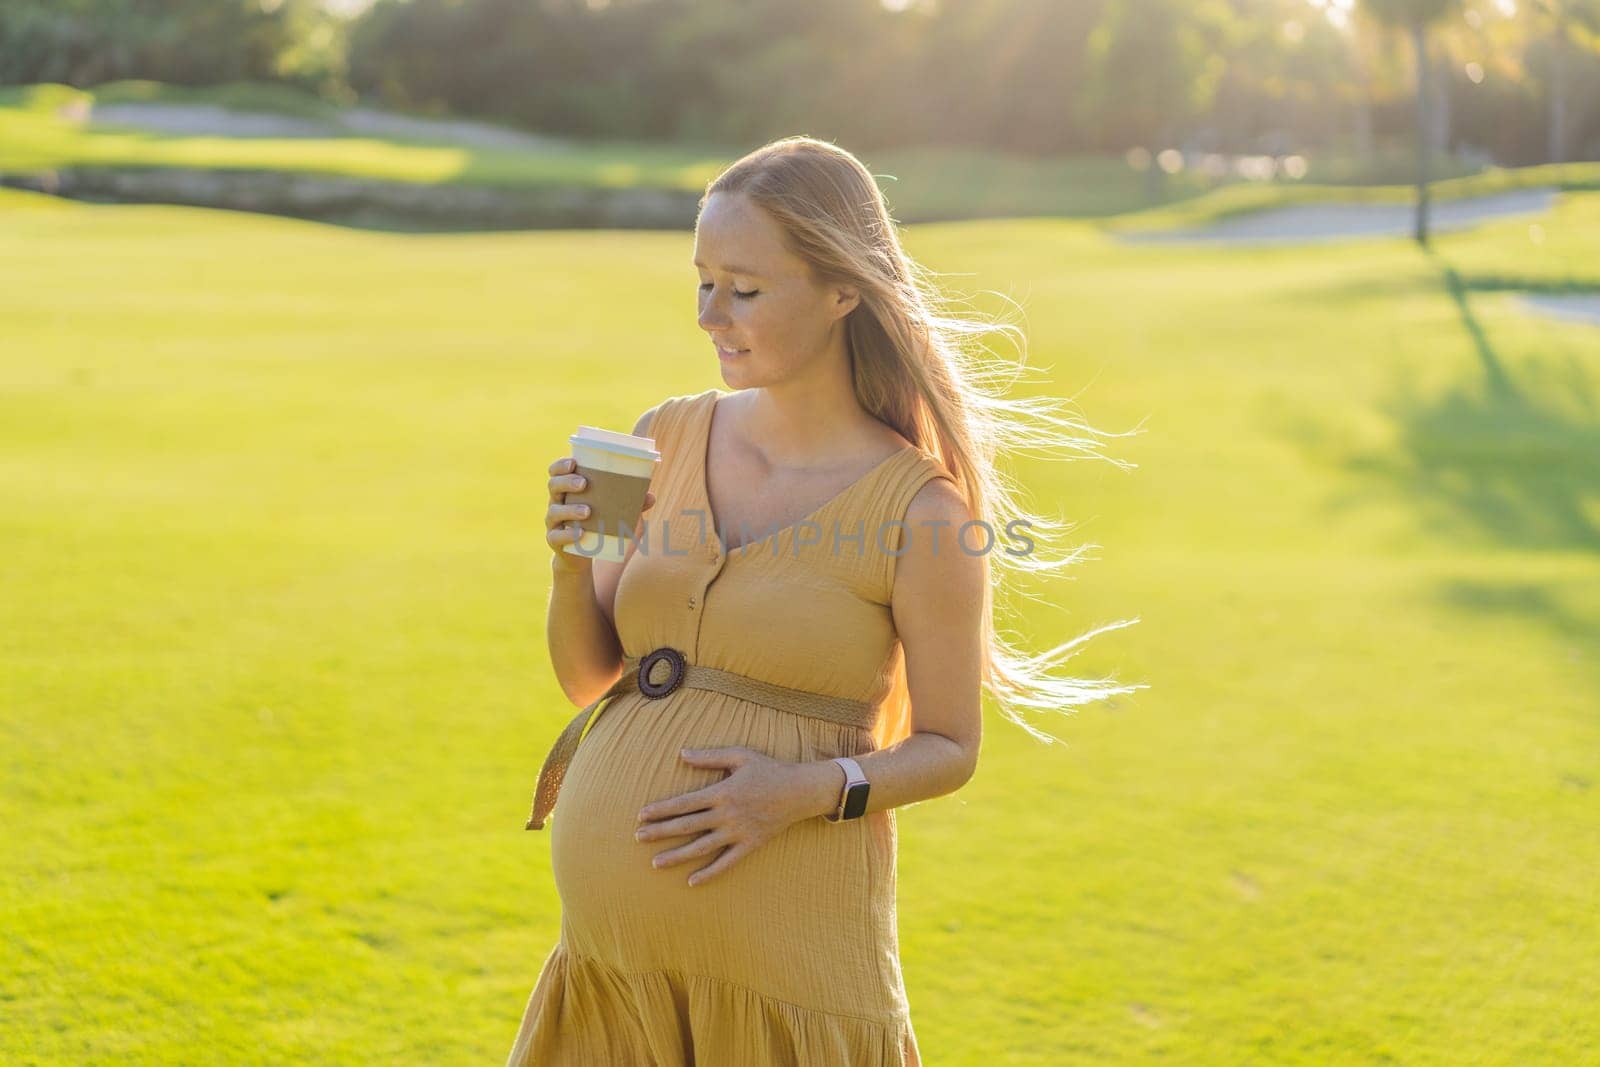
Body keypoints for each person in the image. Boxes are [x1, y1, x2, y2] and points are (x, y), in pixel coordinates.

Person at [506, 136, 1144, 1067]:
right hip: (611, 978)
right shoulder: (663, 437)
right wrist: (569, 563)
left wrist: (798, 793)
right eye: (702, 282)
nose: (711, 315)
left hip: (789, 982)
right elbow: (587, 677)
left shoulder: (920, 511)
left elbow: (951, 747)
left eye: (746, 288)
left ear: (844, 289)